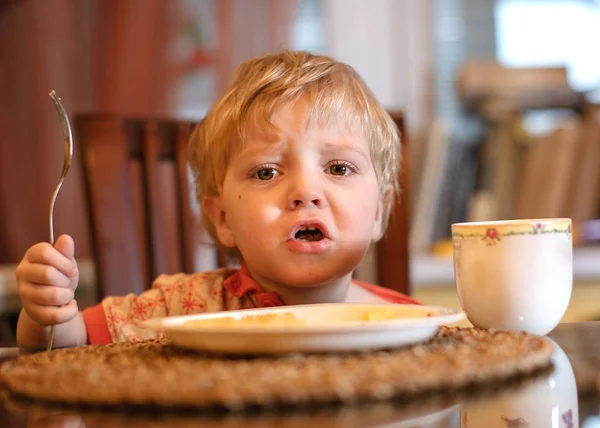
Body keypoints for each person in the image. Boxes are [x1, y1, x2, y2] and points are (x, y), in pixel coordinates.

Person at [15, 50, 420, 349]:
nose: (306, 193)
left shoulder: (411, 326)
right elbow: (68, 344)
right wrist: (49, 312)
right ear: (223, 217)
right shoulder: (181, 310)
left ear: (379, 213)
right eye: (266, 172)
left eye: (338, 169)